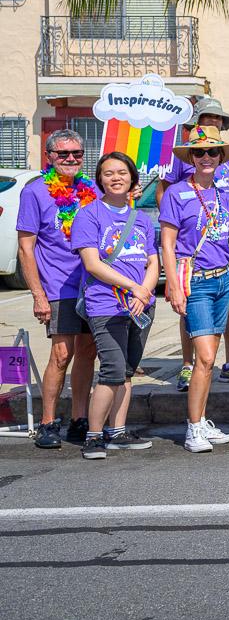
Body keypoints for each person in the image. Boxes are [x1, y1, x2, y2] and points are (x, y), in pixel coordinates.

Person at [158, 96, 229, 392]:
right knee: (190, 303)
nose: (214, 122)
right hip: (194, 243)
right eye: (208, 117)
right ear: (196, 121)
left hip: (225, 230)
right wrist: (176, 222)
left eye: (218, 118)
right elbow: (164, 191)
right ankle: (188, 364)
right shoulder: (186, 156)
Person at [158, 126, 229, 453]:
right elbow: (167, 243)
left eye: (212, 152)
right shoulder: (177, 193)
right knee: (204, 358)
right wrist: (175, 286)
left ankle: (202, 419)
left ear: (221, 158)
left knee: (211, 358)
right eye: (199, 152)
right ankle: (193, 428)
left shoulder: (222, 193)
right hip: (196, 281)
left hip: (222, 281)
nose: (206, 158)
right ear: (190, 157)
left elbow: (228, 236)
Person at [72, 153, 159, 460]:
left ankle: (117, 432)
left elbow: (152, 261)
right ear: (100, 180)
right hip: (106, 305)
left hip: (139, 306)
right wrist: (133, 287)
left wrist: (144, 292)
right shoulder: (89, 215)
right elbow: (92, 264)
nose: (115, 178)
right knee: (110, 370)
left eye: (122, 172)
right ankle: (93, 436)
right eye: (108, 173)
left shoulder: (143, 219)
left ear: (133, 179)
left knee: (126, 372)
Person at [17, 129, 98, 448]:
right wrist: (38, 295)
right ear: (49, 157)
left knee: (88, 352)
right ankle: (48, 422)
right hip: (58, 286)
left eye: (76, 154)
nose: (70, 159)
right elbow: (26, 248)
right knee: (62, 353)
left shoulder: (90, 189)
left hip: (92, 286)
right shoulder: (35, 192)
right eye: (63, 154)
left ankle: (79, 419)